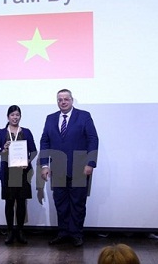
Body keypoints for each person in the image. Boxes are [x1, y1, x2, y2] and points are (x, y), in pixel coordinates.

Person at [39, 89, 99, 247]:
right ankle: (63, 233)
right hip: (57, 167)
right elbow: (45, 141)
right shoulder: (50, 118)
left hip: (80, 166)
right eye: (60, 99)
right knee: (61, 203)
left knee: (78, 204)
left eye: (66, 99)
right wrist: (45, 164)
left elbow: (93, 139)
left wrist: (90, 163)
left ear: (72, 100)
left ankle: (76, 234)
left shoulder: (84, 116)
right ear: (57, 101)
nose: (63, 102)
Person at [0, 105, 37, 245]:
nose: (15, 117)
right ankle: (10, 231)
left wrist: (28, 161)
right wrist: (3, 148)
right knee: (9, 202)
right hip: (7, 172)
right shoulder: (1, 133)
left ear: (20, 116)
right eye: (12, 115)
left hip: (22, 171)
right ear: (8, 117)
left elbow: (34, 151)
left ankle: (21, 231)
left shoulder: (27, 132)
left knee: (22, 202)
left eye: (17, 115)